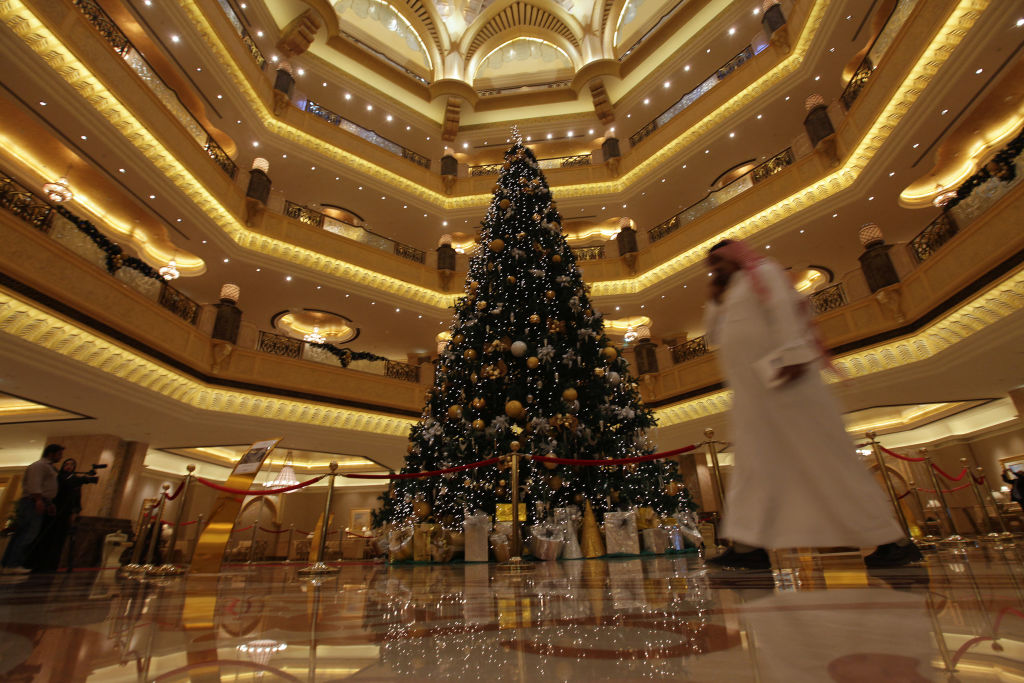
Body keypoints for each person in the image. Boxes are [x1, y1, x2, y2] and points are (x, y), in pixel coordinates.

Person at [701, 239, 921, 569]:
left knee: (826, 460)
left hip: (790, 386)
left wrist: (792, 356)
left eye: (718, 259)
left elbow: (787, 313)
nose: (714, 267)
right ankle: (749, 547)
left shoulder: (765, 273)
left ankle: (892, 541)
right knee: (753, 467)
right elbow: (713, 337)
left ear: (735, 256)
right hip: (753, 397)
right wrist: (715, 299)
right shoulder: (726, 294)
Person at [1, 444, 63, 574]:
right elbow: (34, 483)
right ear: (51, 453)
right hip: (32, 502)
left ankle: (9, 564)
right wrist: (38, 500)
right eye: (59, 454)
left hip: (39, 501)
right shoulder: (39, 466)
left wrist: (49, 503)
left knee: (26, 533)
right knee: (27, 534)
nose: (60, 457)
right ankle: (12, 564)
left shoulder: (48, 467)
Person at [29, 458, 85, 572]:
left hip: (65, 512)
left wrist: (75, 512)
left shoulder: (75, 481)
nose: (69, 466)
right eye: (67, 464)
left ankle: (52, 564)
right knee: (46, 537)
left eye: (72, 465)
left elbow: (77, 498)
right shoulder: (56, 478)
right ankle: (37, 563)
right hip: (52, 509)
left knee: (59, 539)